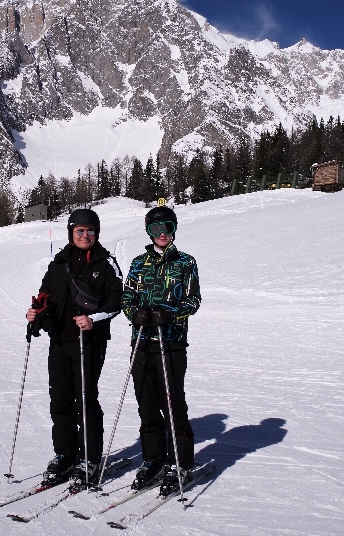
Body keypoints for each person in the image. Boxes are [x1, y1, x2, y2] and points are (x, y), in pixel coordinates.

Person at [25, 208, 123, 487]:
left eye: (90, 230)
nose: (85, 235)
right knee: (61, 401)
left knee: (85, 400)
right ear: (71, 233)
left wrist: (93, 320)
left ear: (97, 233)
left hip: (89, 342)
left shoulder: (106, 263)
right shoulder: (58, 263)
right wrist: (36, 312)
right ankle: (65, 454)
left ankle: (90, 458)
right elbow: (45, 296)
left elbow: (116, 303)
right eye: (79, 230)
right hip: (60, 342)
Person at [121, 205, 201, 495]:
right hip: (141, 342)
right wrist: (135, 314)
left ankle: (181, 462)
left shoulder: (185, 262)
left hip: (171, 341)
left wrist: (172, 315)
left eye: (167, 227)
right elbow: (126, 298)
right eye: (156, 229)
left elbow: (193, 300)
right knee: (146, 403)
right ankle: (154, 459)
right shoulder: (138, 263)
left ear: (174, 229)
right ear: (148, 232)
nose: (162, 234)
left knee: (173, 402)